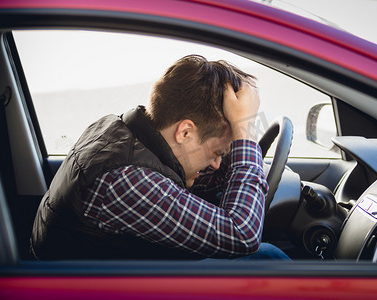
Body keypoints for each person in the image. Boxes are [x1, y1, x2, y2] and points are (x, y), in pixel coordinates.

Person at [30, 54, 288, 260]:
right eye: (216, 153)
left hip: (118, 267)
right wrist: (244, 133)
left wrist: (236, 137)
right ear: (185, 131)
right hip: (88, 288)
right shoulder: (127, 180)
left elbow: (198, 178)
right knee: (269, 258)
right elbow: (242, 236)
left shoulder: (124, 130)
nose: (216, 163)